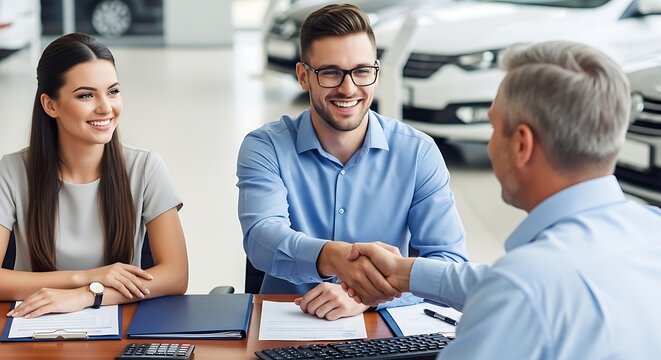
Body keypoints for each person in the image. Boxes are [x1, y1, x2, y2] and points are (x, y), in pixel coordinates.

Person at [343, 40, 661, 358]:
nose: (491, 144)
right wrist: (405, 272)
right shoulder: (651, 230)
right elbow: (513, 283)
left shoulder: (521, 290)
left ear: (522, 144)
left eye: (494, 126)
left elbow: (519, 288)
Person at [237, 4, 467, 320]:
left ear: (376, 72)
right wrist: (332, 257)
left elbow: (451, 264)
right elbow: (261, 238)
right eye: (331, 72)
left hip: (380, 328)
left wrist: (366, 296)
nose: (348, 88)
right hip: (287, 329)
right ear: (304, 77)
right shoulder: (266, 146)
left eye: (361, 71)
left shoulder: (417, 152)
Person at [0, 33, 188, 318]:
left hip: (120, 328)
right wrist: (85, 276)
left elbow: (176, 275)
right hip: (33, 327)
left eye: (112, 91)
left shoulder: (145, 167)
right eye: (86, 95)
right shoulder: (12, 171)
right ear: (50, 105)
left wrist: (87, 295)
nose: (106, 108)